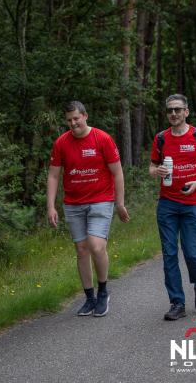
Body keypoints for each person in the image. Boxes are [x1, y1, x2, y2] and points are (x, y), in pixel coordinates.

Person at [47, 100, 129, 317]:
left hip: (101, 200)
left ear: (85, 116)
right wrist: (51, 206)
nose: (73, 124)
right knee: (81, 250)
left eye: (76, 118)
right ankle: (90, 298)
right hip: (73, 204)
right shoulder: (61, 143)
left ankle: (103, 292)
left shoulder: (102, 139)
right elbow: (54, 175)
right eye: (69, 120)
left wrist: (120, 203)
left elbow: (117, 172)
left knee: (96, 246)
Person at [149, 94, 196, 321]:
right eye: (170, 110)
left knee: (191, 253)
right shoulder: (161, 138)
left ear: (186, 112)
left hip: (193, 202)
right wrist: (156, 171)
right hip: (167, 204)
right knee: (169, 254)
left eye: (177, 110)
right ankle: (177, 303)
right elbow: (152, 167)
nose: (173, 114)